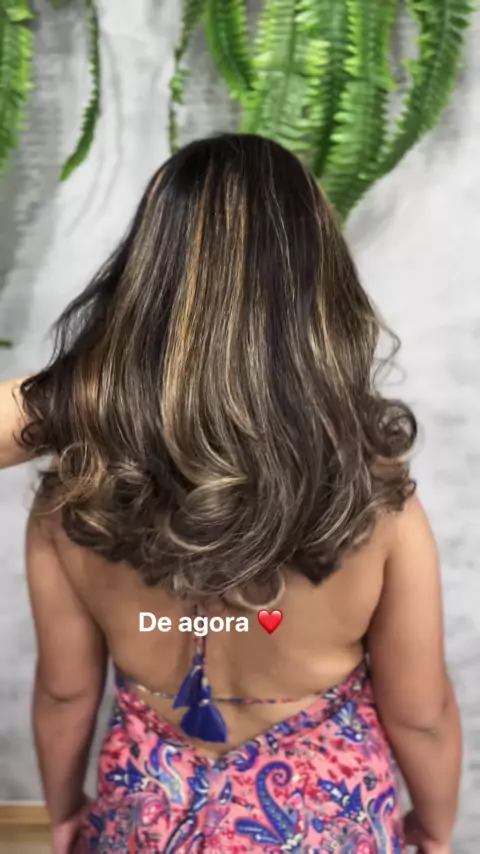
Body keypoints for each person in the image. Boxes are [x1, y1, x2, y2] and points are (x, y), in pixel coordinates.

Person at [0, 134, 461, 854]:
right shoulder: (377, 500)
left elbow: (65, 692)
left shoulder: (74, 496)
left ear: (142, 284)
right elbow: (422, 714)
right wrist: (434, 827)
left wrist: (64, 811)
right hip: (325, 823)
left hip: (147, 813)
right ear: (319, 294)